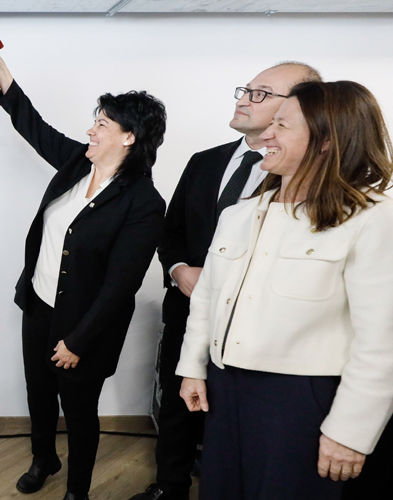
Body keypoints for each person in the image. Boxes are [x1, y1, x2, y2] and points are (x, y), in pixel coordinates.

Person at [176, 80, 393, 499]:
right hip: (227, 388)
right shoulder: (240, 214)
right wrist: (192, 366)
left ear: (328, 139)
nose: (265, 134)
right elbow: (207, 300)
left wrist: (350, 431)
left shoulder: (371, 217)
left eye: (282, 125)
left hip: (304, 399)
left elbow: (381, 340)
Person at [128, 62, 321, 500]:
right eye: (245, 90)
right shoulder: (205, 162)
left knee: (236, 415)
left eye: (260, 93)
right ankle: (170, 488)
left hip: (258, 326)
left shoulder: (302, 177)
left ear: (299, 108)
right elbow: (170, 230)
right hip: (189, 307)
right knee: (178, 403)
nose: (242, 99)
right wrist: (179, 271)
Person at [0, 52, 166, 500]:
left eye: (103, 124)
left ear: (129, 136)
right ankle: (43, 458)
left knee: (80, 410)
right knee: (40, 394)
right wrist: (5, 79)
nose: (92, 129)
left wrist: (78, 342)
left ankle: (77, 492)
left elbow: (120, 285)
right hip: (40, 306)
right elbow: (35, 128)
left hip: (85, 328)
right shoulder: (77, 163)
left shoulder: (143, 202)